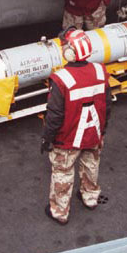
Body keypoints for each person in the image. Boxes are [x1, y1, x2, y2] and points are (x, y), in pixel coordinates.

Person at [41, 28, 111, 225]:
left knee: (63, 172)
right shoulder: (100, 71)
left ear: (71, 52)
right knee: (91, 165)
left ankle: (60, 211)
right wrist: (102, 130)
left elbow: (54, 115)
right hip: (93, 134)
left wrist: (47, 138)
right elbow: (107, 105)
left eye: (65, 46)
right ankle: (90, 198)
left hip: (68, 139)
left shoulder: (61, 78)